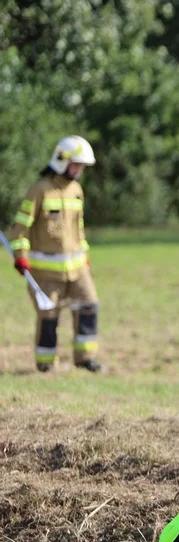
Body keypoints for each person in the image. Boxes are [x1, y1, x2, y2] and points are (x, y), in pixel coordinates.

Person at [7, 135, 103, 372]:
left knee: (89, 306)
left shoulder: (77, 190)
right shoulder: (39, 190)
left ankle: (85, 359)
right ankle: (45, 366)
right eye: (76, 164)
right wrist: (20, 256)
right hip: (46, 272)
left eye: (82, 165)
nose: (79, 170)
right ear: (61, 161)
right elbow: (20, 227)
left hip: (78, 269)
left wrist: (86, 254)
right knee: (48, 315)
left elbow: (78, 228)